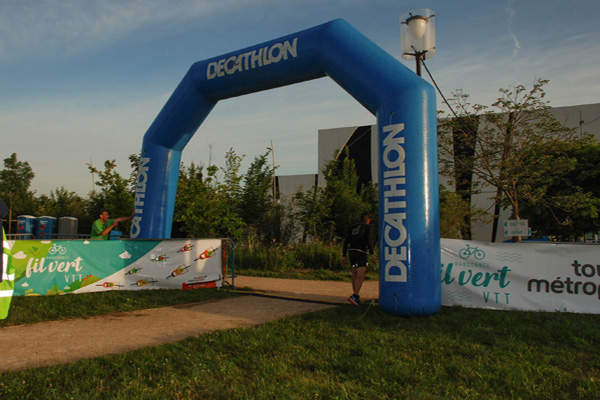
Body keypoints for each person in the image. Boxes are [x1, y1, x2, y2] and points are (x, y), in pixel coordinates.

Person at [342, 212, 377, 306]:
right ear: (368, 220)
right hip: (360, 251)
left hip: (351, 251)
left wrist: (344, 255)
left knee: (355, 274)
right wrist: (372, 253)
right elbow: (369, 240)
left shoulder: (353, 227)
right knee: (361, 274)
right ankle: (355, 295)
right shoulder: (368, 227)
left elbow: (346, 241)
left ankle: (355, 295)